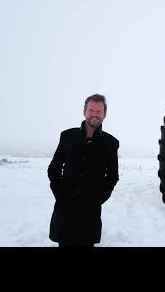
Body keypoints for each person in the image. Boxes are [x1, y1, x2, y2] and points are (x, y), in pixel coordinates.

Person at [48, 93, 119, 247]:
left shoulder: (111, 143)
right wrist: (59, 193)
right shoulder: (68, 136)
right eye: (91, 110)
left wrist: (100, 197)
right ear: (84, 111)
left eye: (99, 111)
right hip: (66, 208)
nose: (95, 114)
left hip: (90, 211)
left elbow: (113, 176)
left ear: (104, 114)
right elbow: (54, 168)